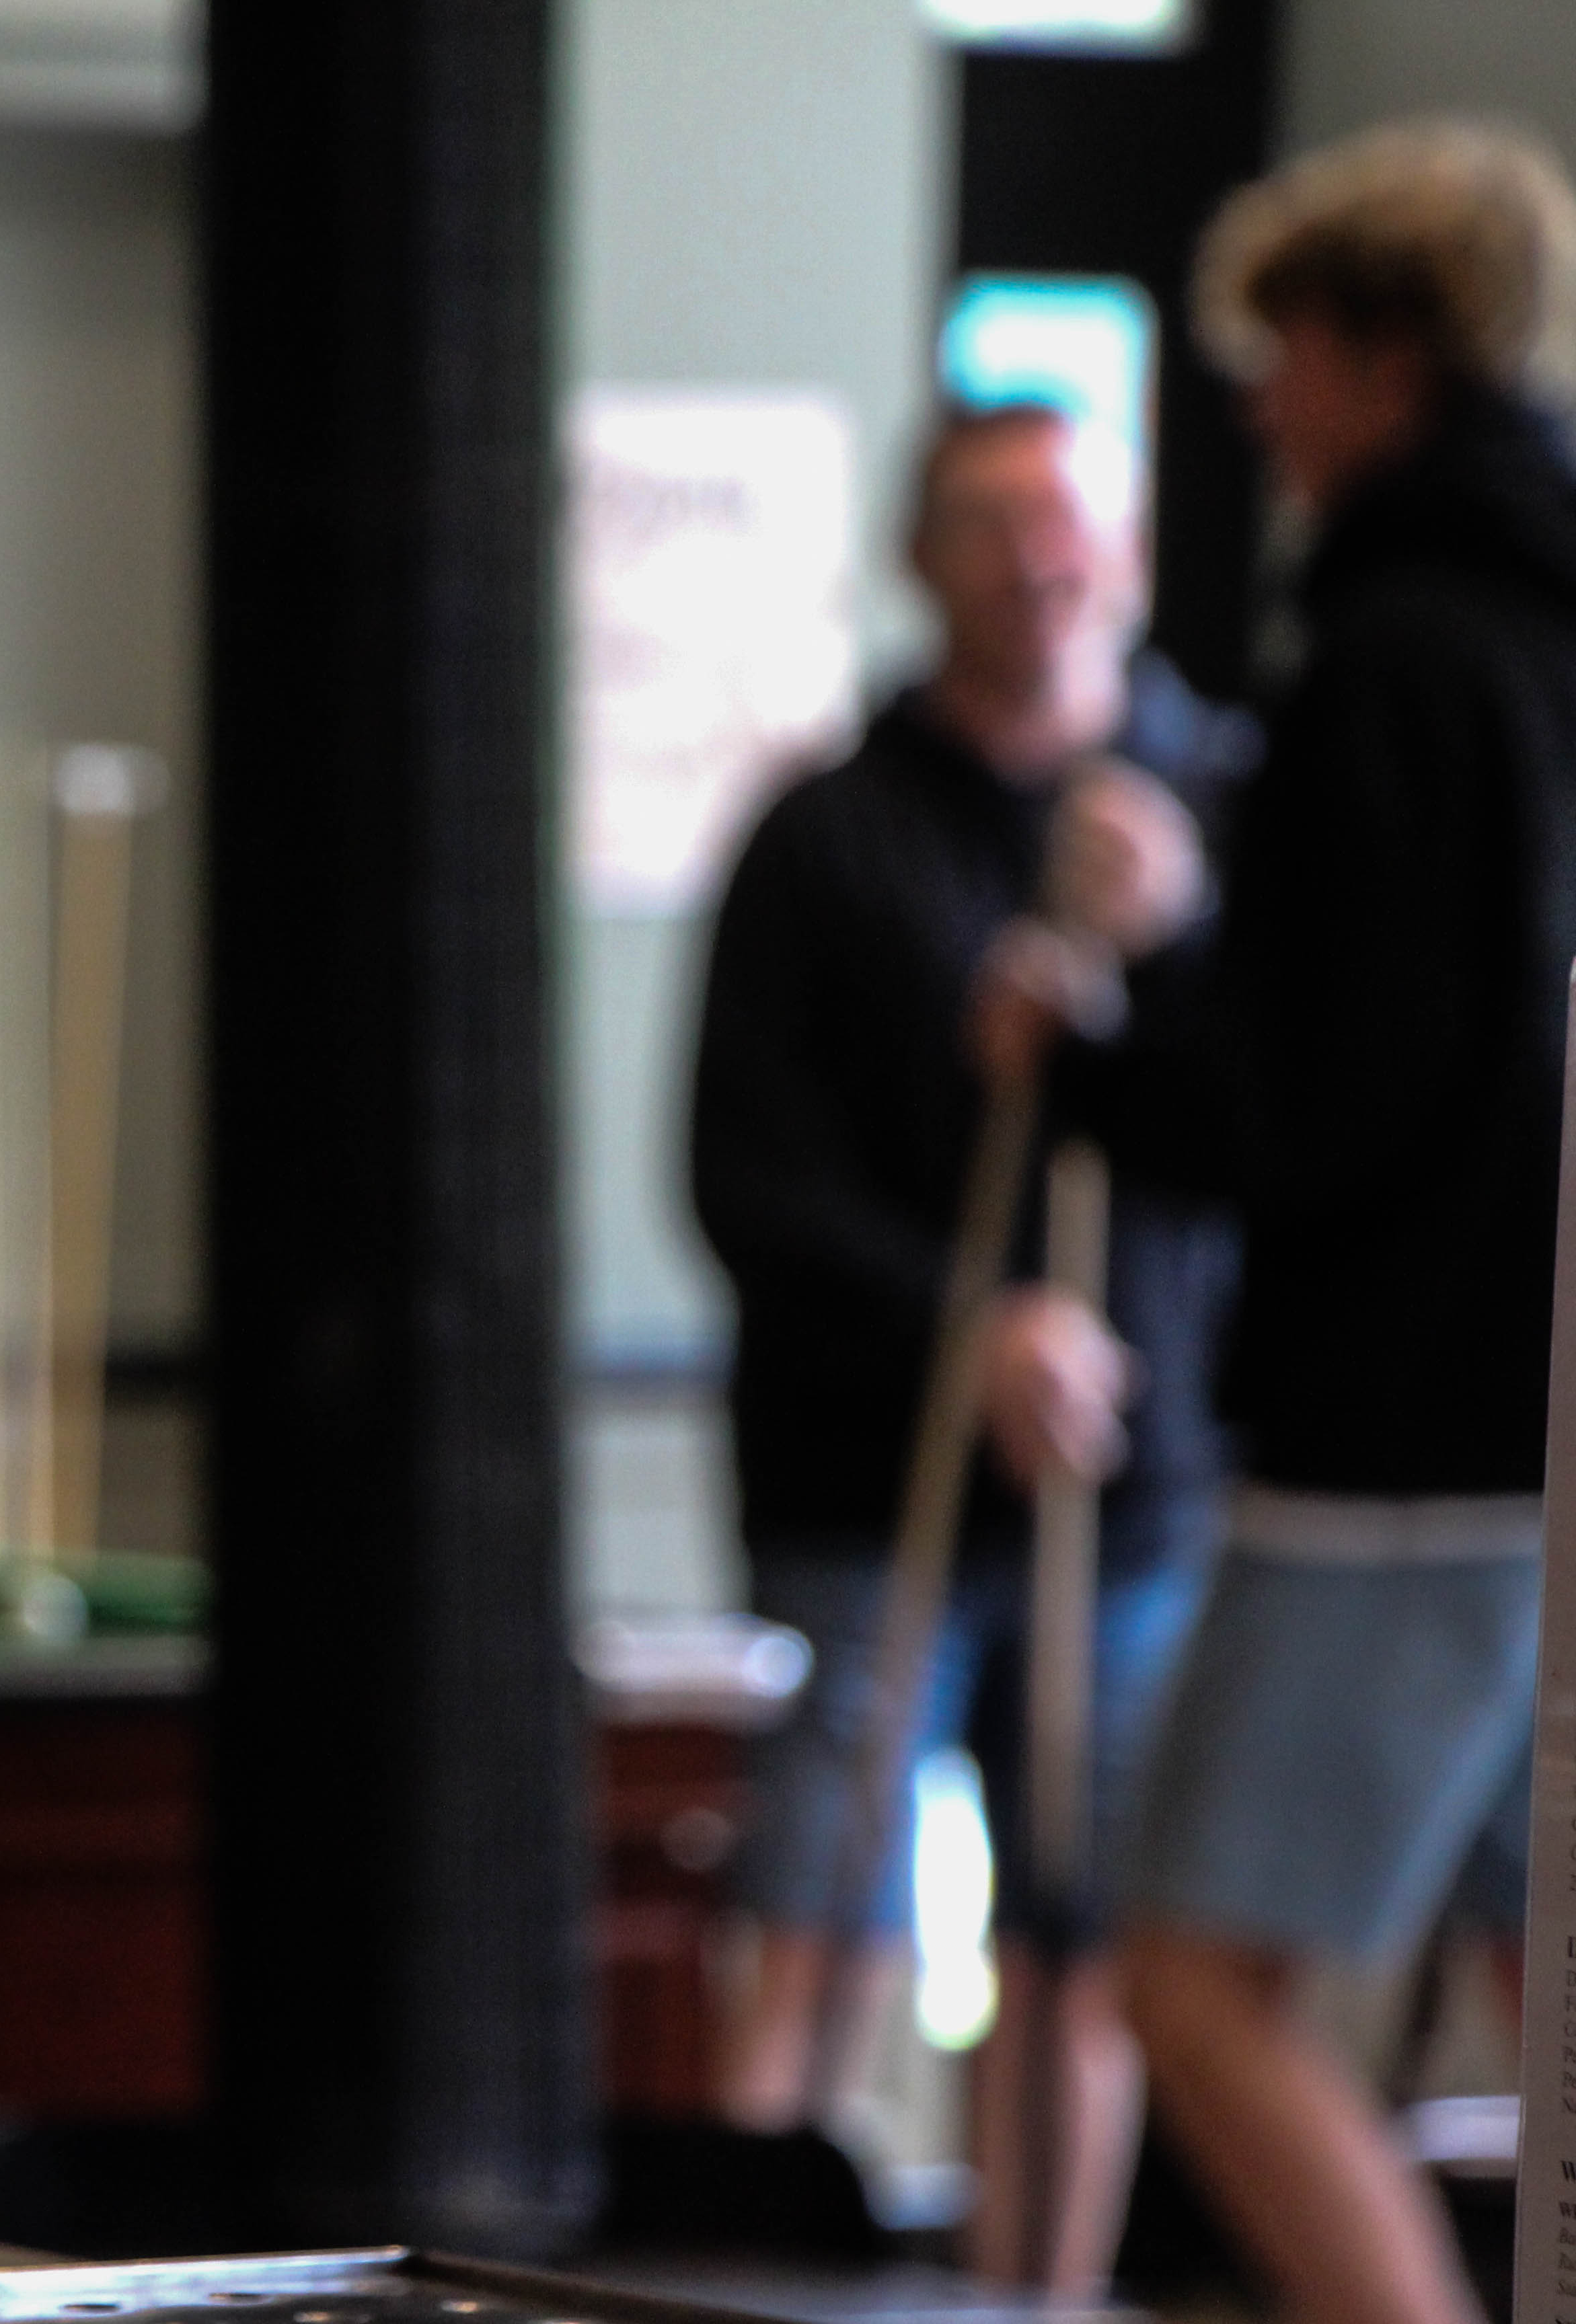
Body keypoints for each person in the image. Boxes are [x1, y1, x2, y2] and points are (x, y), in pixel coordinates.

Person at [1004, 119, 1576, 2324]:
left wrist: (1091, 1055)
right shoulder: (1542, 638)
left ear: (1384, 351)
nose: (1260, 401)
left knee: (1192, 1985)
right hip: (1545, 1422)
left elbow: (1338, 1088)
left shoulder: (1396, 664)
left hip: (1401, 1445)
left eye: (1289, 350)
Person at [691, 401, 1251, 2290]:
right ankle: (736, 2288)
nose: (1042, 560)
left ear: (1139, 553)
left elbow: (1283, 1121)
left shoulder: (1217, 806)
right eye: (996, 523)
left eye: (1074, 521)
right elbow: (745, 1178)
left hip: (1139, 1489)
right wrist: (972, 1332)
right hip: (878, 1487)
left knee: (1083, 1935)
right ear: (922, 560)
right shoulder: (826, 832)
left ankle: (1045, 2300)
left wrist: (1164, 960)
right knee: (820, 1914)